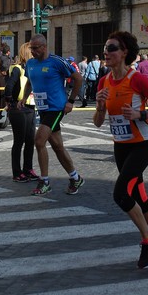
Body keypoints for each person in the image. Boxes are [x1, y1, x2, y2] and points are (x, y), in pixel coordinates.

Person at [92, 30, 148, 268]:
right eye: (105, 48)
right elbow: (98, 122)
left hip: (142, 144)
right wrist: (99, 105)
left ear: (124, 52)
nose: (106, 53)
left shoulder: (137, 79)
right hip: (121, 146)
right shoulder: (103, 81)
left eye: (112, 48)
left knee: (121, 194)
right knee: (140, 197)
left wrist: (140, 114)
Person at [26, 34, 84, 196]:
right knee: (58, 147)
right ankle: (75, 177)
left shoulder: (57, 61)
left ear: (44, 47)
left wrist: (71, 101)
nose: (33, 52)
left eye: (36, 48)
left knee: (39, 141)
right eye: (31, 48)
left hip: (56, 107)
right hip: (42, 109)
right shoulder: (30, 64)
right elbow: (29, 82)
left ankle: (44, 181)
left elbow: (78, 78)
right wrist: (23, 98)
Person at [5, 42, 38, 182]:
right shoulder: (17, 69)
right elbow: (9, 86)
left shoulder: (30, 68)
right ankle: (16, 172)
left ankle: (28, 169)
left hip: (30, 107)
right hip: (18, 109)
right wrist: (11, 101)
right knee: (19, 141)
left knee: (30, 140)